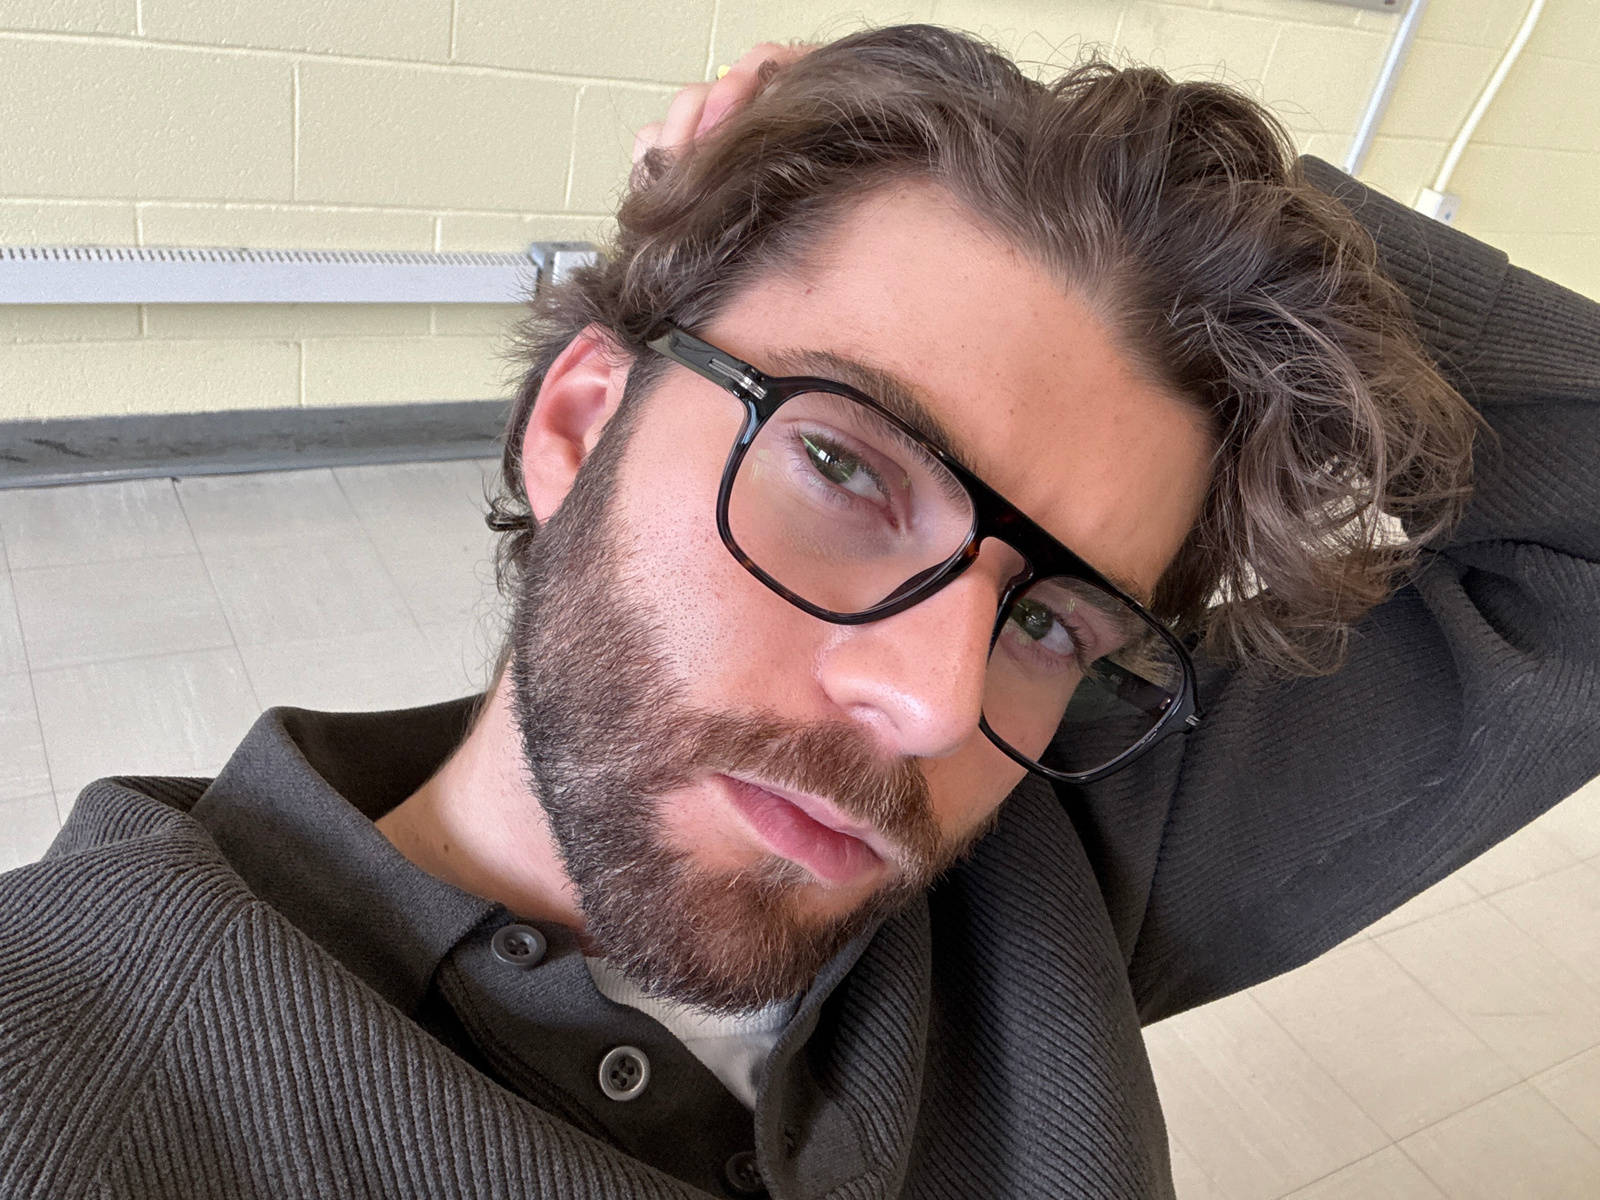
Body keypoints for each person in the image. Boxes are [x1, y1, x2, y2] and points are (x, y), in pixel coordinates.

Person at [2, 24, 1596, 1200]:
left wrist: (1195, 192)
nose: (933, 703)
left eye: (1053, 619)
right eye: (843, 467)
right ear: (578, 423)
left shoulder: (1046, 865)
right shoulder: (61, 1074)